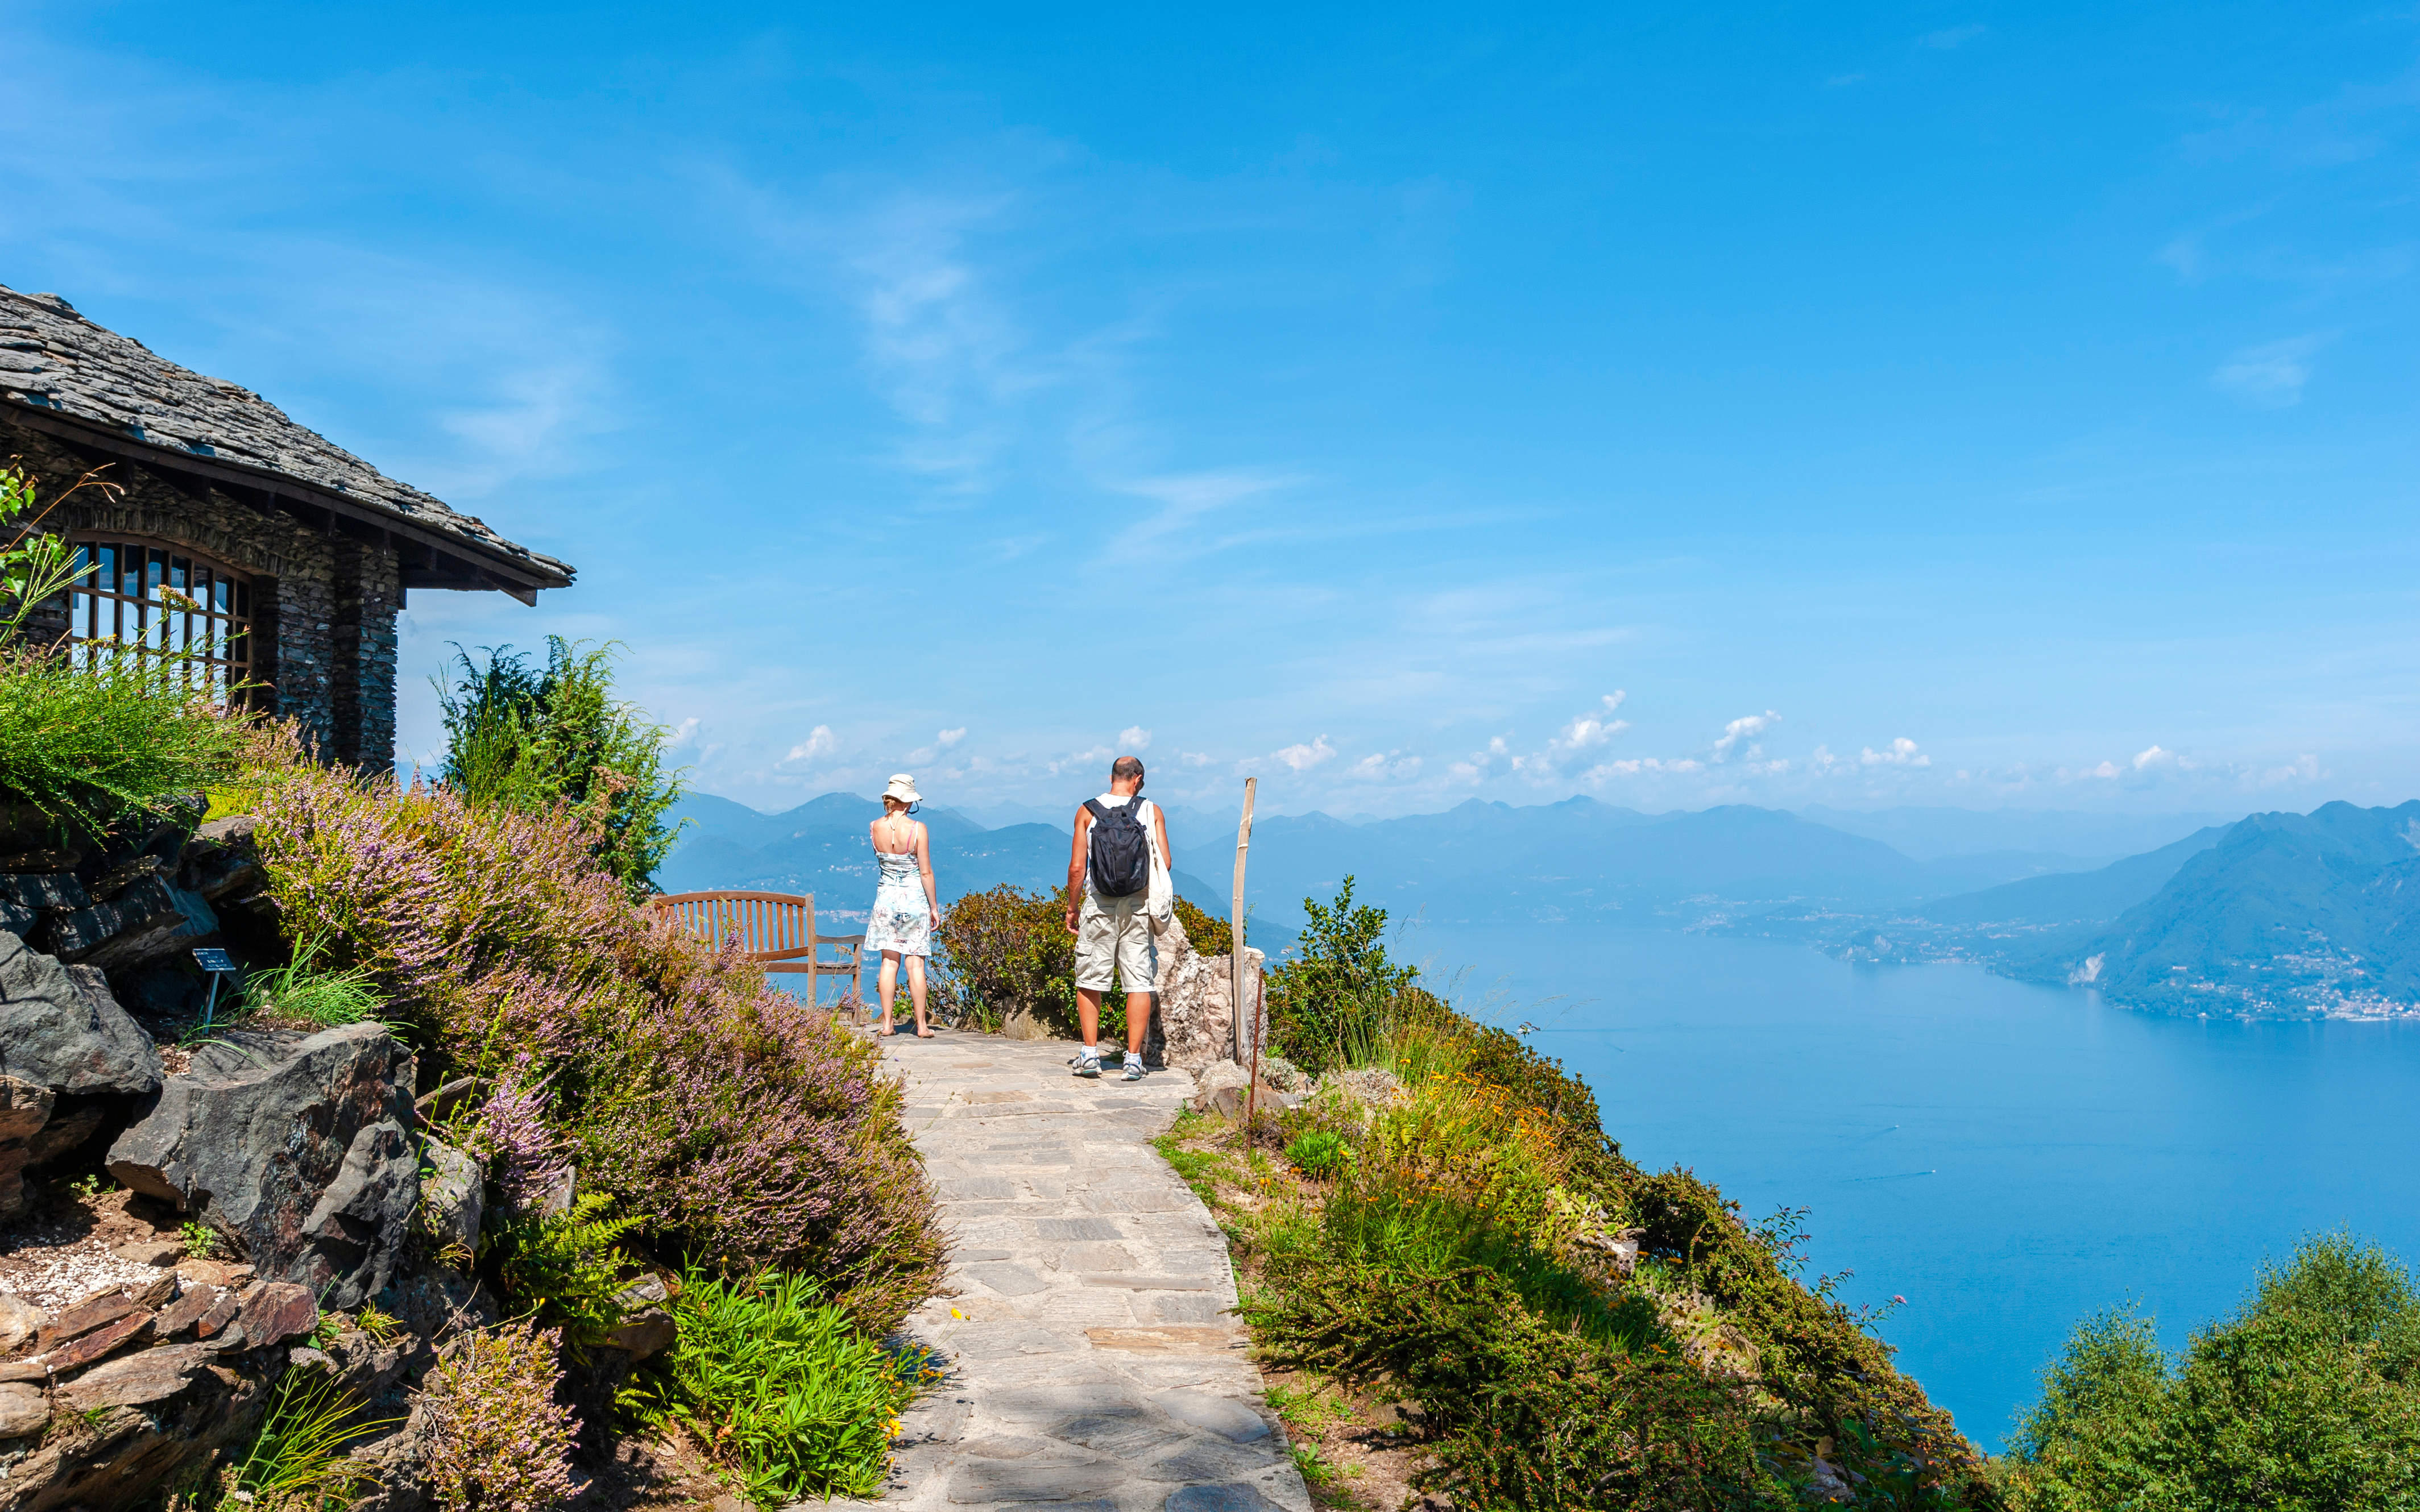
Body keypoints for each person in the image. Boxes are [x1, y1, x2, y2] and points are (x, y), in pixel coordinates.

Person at [1065, 754, 1174, 1081]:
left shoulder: (1088, 811)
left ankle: (1089, 1055)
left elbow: (1076, 868)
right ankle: (1133, 1059)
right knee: (1138, 980)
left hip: (1099, 904)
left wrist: (1071, 909)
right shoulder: (1151, 811)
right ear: (1137, 778)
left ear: (1113, 776)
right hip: (1138, 905)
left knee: (1090, 977)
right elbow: (1165, 862)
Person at [865, 773, 940, 1037]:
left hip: (885, 900)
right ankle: (921, 1025)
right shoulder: (919, 829)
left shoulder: (875, 827)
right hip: (914, 901)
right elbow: (926, 873)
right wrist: (934, 907)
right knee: (915, 965)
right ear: (909, 801)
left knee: (888, 963)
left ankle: (887, 1025)